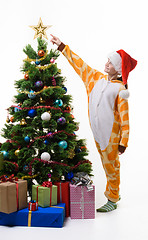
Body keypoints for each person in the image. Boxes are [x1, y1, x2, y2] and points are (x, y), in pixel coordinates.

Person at [50, 34, 137, 212]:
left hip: (111, 135)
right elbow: (79, 65)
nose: (107, 64)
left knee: (111, 166)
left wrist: (123, 142)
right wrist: (62, 47)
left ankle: (113, 198)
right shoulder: (95, 78)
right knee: (106, 164)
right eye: (107, 61)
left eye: (111, 63)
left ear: (119, 69)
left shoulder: (120, 89)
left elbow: (124, 117)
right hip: (97, 132)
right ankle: (115, 191)